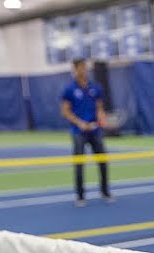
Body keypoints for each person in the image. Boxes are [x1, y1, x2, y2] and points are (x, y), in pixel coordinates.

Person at [60, 58, 113, 207]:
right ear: (75, 70)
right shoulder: (69, 89)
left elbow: (99, 107)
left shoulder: (95, 88)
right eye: (80, 68)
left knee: (103, 160)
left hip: (95, 131)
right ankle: (80, 195)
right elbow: (65, 111)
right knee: (79, 163)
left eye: (85, 67)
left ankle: (105, 191)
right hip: (78, 131)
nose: (83, 70)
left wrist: (101, 118)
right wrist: (80, 123)